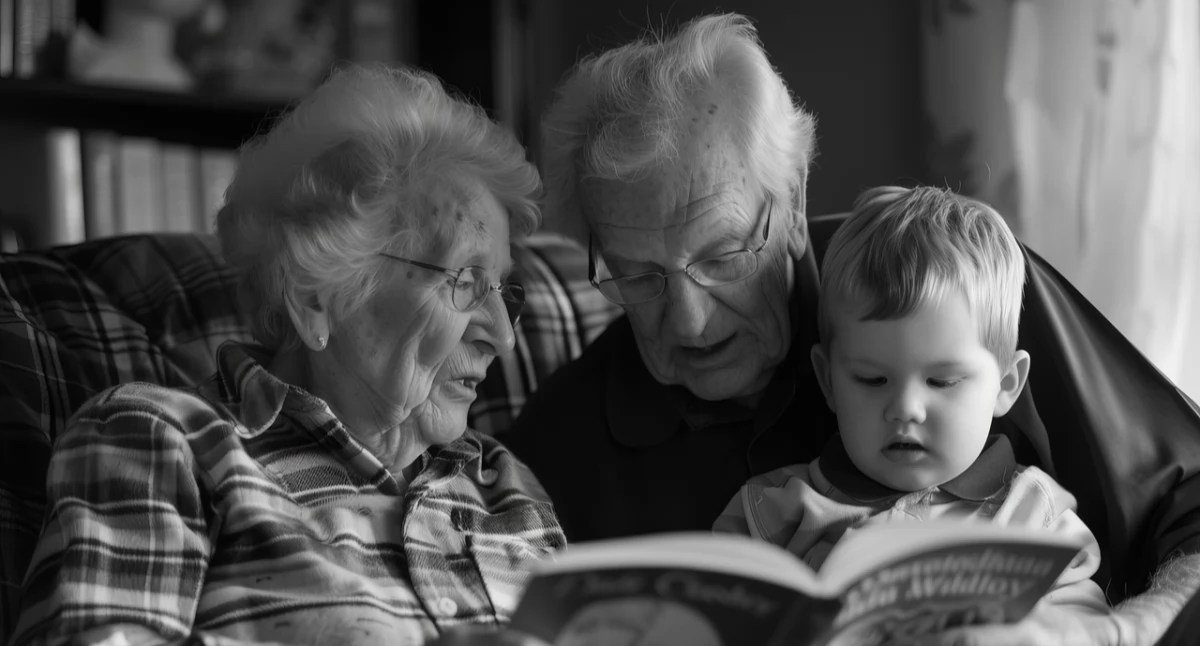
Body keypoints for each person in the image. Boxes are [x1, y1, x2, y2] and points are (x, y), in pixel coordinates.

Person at [502, 11, 1200, 646]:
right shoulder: (560, 445)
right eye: (639, 275)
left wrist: (1115, 634)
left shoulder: (950, 290)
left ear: (795, 199)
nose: (688, 318)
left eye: (721, 257)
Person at [10, 64, 565, 646]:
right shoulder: (165, 444)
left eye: (503, 289)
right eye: (464, 282)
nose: (502, 336)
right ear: (316, 300)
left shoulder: (504, 485)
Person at [713, 185, 1109, 615]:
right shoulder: (775, 509)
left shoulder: (1033, 518)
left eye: (942, 382)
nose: (905, 408)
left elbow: (1086, 629)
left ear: (1006, 383)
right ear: (829, 381)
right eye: (872, 379)